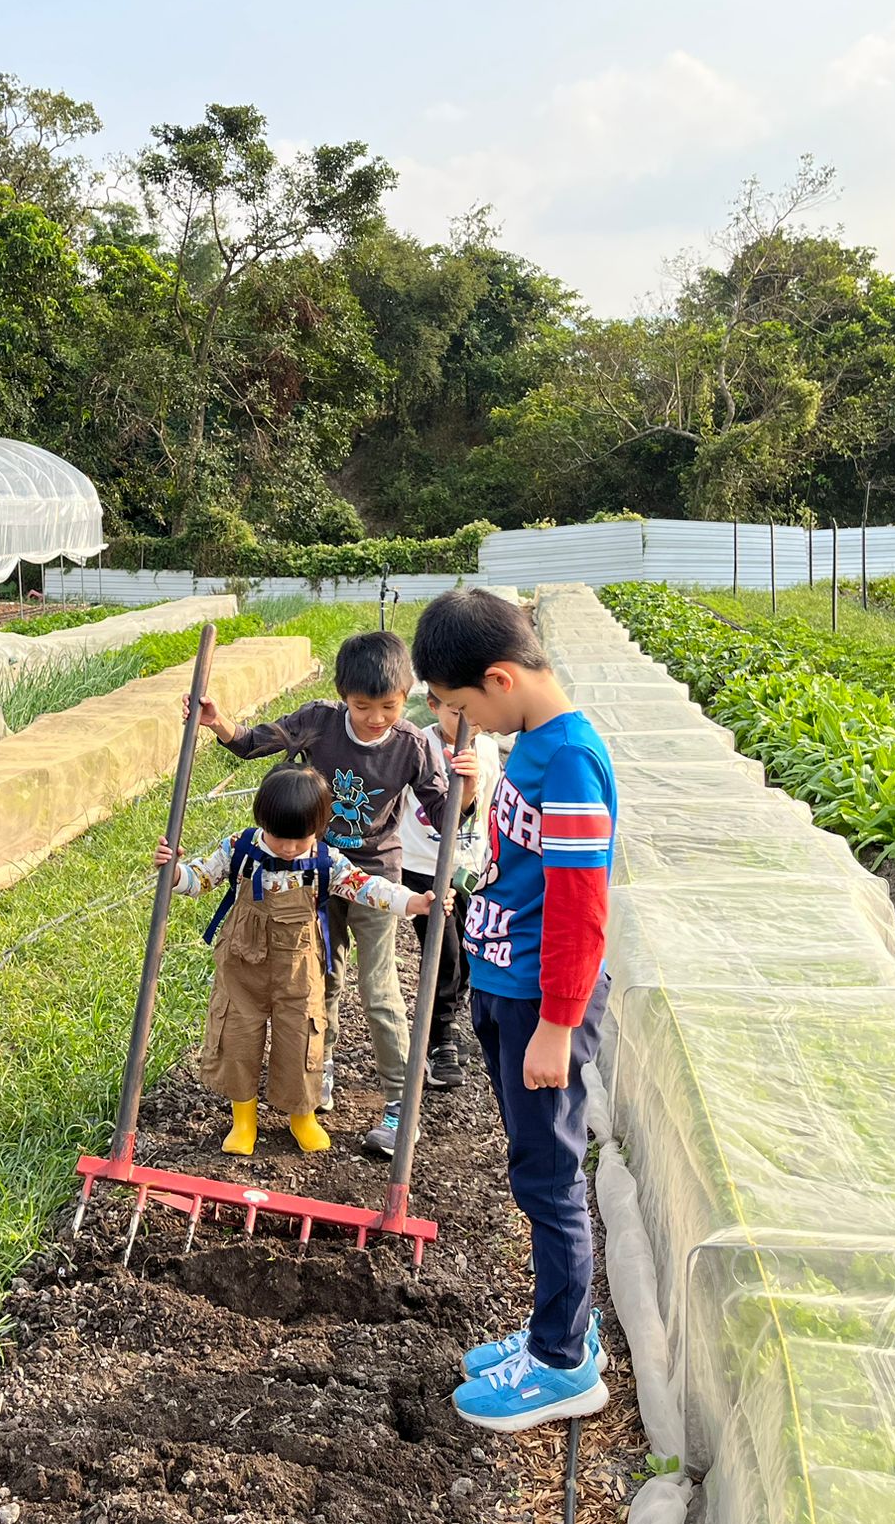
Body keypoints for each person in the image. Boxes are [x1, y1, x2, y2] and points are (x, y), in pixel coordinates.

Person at [410, 588, 616, 1432]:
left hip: (541, 1004)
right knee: (533, 1169)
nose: (465, 727)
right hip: (507, 987)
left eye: (463, 709)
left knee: (548, 1177)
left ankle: (564, 1365)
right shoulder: (530, 743)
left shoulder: (567, 761)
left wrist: (560, 1025)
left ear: (500, 677)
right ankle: (555, 1331)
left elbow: (580, 906)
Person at [187, 631, 476, 1158]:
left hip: (372, 879)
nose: (374, 718)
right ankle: (320, 1073)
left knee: (380, 990)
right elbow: (255, 743)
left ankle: (398, 1105)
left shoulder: (411, 744)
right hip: (316, 877)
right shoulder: (319, 721)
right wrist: (218, 721)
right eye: (363, 706)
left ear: (406, 695)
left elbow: (444, 815)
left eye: (388, 706)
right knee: (323, 982)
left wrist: (468, 787)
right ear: (343, 694)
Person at [154, 765, 439, 1156]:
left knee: (302, 1040)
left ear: (320, 827)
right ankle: (244, 1120)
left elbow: (368, 888)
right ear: (262, 821)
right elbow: (200, 879)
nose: (289, 848)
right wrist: (174, 874)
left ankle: (302, 1116)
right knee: (237, 1037)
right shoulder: (241, 849)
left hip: (299, 971)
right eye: (279, 838)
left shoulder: (326, 862)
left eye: (300, 839)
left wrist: (412, 902)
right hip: (243, 968)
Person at [400, 686, 503, 1091]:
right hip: (424, 866)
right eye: (455, 712)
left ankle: (449, 1015)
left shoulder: (490, 750)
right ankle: (438, 1038)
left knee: (465, 949)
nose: (466, 722)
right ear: (433, 706)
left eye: (472, 712)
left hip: (471, 865)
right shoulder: (417, 745)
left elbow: (491, 806)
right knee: (442, 951)